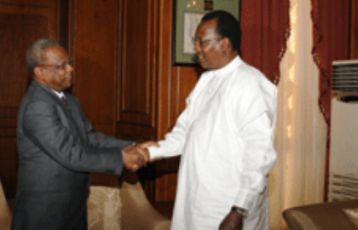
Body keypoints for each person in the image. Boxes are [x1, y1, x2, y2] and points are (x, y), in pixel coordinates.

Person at [143, 10, 277, 230]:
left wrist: (238, 210)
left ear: (224, 43)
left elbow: (259, 156)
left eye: (201, 43)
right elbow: (184, 132)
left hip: (228, 207)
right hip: (196, 200)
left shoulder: (251, 85)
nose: (196, 50)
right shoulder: (206, 80)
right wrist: (150, 152)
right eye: (195, 42)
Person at [12, 38, 148, 230]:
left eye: (69, 63)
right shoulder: (37, 106)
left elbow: (91, 137)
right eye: (61, 66)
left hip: (72, 203)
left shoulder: (69, 100)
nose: (70, 69)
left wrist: (132, 145)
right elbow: (70, 153)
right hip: (45, 210)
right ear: (40, 72)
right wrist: (120, 158)